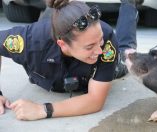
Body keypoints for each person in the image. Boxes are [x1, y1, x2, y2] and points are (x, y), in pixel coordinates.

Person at [0, 0, 142, 120]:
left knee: (127, 56)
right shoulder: (30, 41)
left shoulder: (106, 42)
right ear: (63, 45)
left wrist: (43, 110)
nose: (99, 51)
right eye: (90, 46)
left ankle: (129, 4)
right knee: (52, 25)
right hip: (48, 40)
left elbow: (95, 100)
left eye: (100, 41)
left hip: (87, 77)